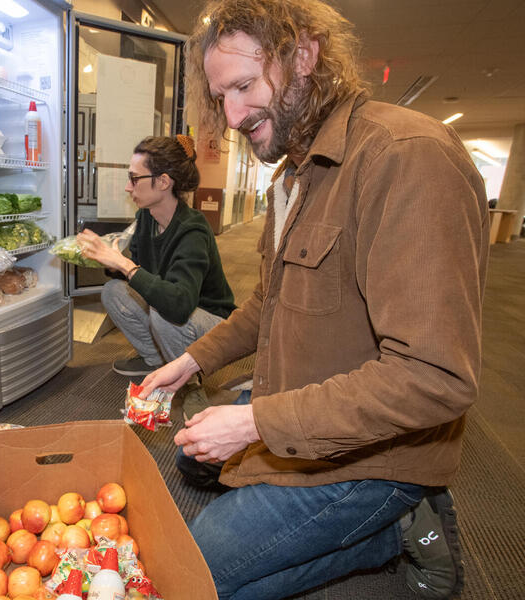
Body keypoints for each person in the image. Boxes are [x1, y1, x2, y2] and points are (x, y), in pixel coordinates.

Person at [139, 1, 489, 599]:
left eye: (245, 86)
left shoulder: (405, 156)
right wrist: (191, 361)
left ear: (303, 55)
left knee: (184, 576)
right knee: (195, 458)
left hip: (375, 453)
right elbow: (266, 308)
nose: (233, 115)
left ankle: (400, 521)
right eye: (222, 96)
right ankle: (370, 528)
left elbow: (436, 377)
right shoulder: (296, 175)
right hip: (306, 397)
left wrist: (252, 422)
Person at [77, 136, 236, 395]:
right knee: (113, 291)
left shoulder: (192, 229)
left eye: (135, 178)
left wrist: (124, 264)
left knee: (164, 312)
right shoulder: (146, 218)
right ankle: (157, 361)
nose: (128, 187)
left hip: (213, 323)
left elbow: (179, 304)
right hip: (178, 311)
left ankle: (188, 382)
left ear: (163, 182)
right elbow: (142, 274)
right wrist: (109, 260)